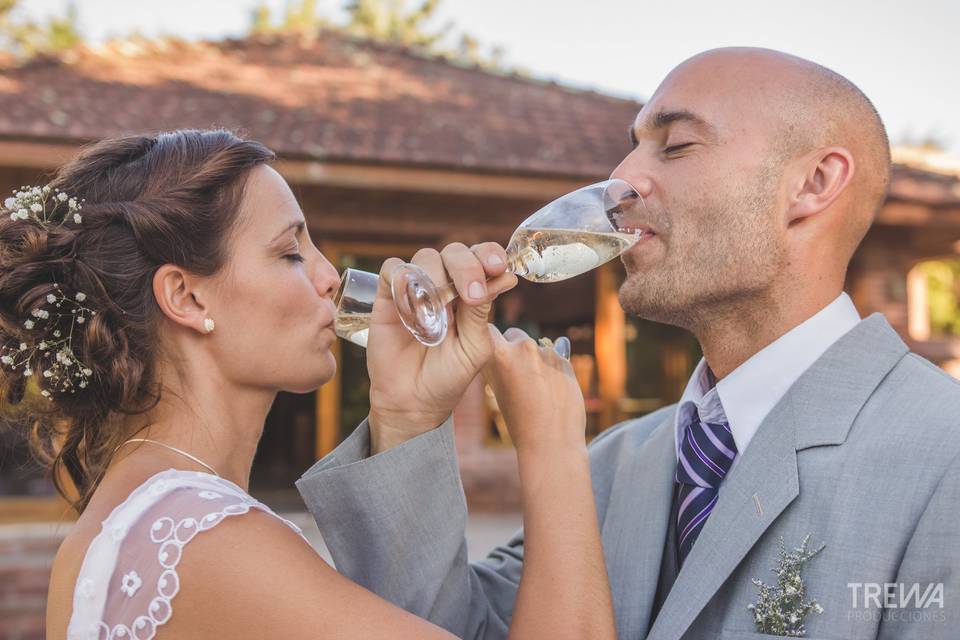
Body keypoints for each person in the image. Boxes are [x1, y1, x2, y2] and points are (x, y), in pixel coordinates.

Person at [295, 47, 960, 639]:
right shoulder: (613, 463)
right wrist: (409, 423)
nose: (621, 180)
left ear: (813, 185)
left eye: (674, 147)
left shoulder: (944, 460)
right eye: (631, 149)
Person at [0, 129, 616, 638]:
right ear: (185, 296)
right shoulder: (205, 537)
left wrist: (406, 415)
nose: (331, 278)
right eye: (290, 253)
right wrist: (553, 446)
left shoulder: (133, 519)